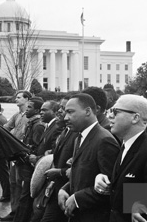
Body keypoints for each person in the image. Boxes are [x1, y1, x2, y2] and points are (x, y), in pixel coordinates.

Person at [94, 94, 147, 222]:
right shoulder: (126, 145)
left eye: (115, 111)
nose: (109, 115)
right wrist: (101, 178)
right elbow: (125, 190)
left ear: (135, 118)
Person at [58, 93, 120, 222]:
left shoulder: (104, 140)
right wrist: (65, 189)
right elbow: (83, 175)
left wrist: (78, 199)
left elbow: (111, 188)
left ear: (87, 111)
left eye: (70, 112)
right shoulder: (79, 137)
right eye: (65, 113)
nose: (65, 118)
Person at [41, 96, 78, 222]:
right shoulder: (66, 130)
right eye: (62, 108)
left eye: (68, 110)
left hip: (69, 193)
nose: (60, 111)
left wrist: (135, 208)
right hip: (59, 189)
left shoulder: (102, 138)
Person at [12, 97, 45, 222]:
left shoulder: (37, 126)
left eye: (30, 107)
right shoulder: (31, 123)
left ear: (37, 110)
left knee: (25, 196)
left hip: (29, 166)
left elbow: (37, 147)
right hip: (25, 164)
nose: (26, 109)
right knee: (23, 195)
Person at [0, 90, 31, 221]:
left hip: (24, 156)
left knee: (22, 185)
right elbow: (5, 129)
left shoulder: (31, 116)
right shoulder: (16, 115)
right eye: (16, 97)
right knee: (13, 183)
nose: (16, 99)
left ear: (27, 99)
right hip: (14, 155)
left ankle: (21, 214)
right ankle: (14, 212)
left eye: (19, 97)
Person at [29, 100, 62, 222]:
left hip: (54, 184)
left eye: (44, 110)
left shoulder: (57, 128)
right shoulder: (49, 127)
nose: (62, 113)